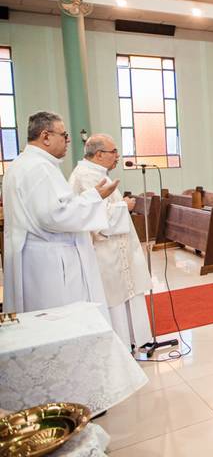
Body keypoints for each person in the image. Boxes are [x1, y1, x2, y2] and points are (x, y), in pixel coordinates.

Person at [2, 112, 118, 317]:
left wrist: (90, 197)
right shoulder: (38, 168)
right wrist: (95, 197)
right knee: (63, 319)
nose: (68, 140)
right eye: (64, 135)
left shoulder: (22, 163)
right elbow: (55, 216)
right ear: (46, 136)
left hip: (37, 256)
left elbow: (54, 207)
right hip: (52, 262)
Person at [69, 134, 153, 350]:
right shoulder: (86, 176)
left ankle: (132, 340)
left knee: (125, 293)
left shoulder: (98, 174)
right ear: (99, 154)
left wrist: (121, 206)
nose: (117, 156)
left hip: (115, 249)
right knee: (114, 297)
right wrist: (124, 206)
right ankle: (120, 345)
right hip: (104, 251)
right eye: (114, 151)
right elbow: (95, 219)